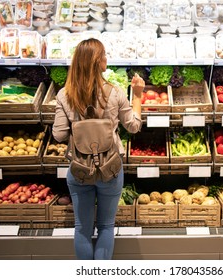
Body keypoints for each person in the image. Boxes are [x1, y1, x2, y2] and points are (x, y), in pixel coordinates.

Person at [52, 38, 145, 260]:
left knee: (82, 228)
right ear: (97, 63)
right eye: (103, 55)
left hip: (79, 169)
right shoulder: (115, 92)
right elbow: (133, 126)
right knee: (105, 226)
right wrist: (138, 95)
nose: (106, 59)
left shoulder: (65, 95)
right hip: (110, 168)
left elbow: (59, 135)